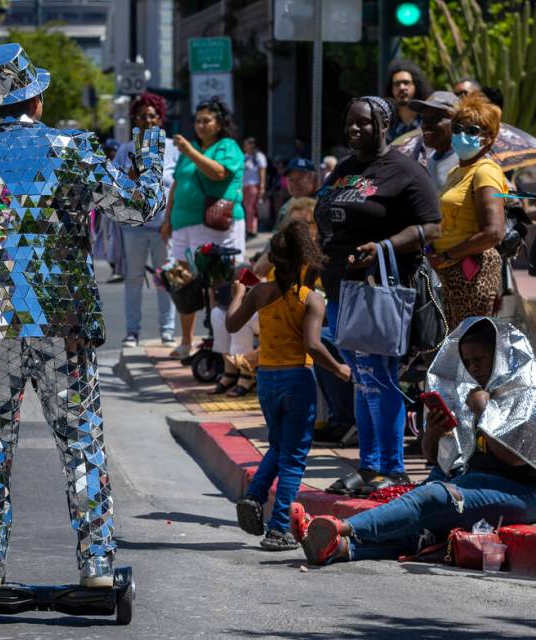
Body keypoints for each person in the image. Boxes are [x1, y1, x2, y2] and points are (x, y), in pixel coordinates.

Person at [0, 43, 165, 588]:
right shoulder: (73, 150)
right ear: (38, 100)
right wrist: (150, 150)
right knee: (81, 443)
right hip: (64, 325)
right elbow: (139, 208)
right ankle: (96, 567)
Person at [301, 317, 536, 565]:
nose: (473, 368)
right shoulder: (473, 391)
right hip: (473, 480)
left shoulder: (525, 393)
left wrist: (484, 411)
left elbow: (514, 457)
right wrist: (434, 431)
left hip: (518, 492)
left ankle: (340, 527)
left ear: (500, 355)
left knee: (433, 497)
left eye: (480, 359)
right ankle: (341, 548)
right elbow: (434, 458)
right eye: (467, 361)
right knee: (426, 519)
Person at [315, 96, 441, 496]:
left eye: (364, 124)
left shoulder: (405, 171)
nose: (354, 129)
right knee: (363, 382)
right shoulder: (345, 169)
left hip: (376, 291)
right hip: (339, 291)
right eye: (349, 122)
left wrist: (383, 246)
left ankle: (391, 467)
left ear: (384, 126)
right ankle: (369, 466)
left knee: (378, 380)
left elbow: (432, 228)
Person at [228, 220, 352, 551]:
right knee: (295, 456)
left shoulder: (260, 293)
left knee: (280, 445)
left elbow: (231, 323)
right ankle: (279, 528)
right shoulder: (311, 299)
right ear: (304, 259)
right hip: (298, 379)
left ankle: (255, 497)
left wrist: (239, 292)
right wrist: (339, 367)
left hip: (267, 379)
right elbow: (313, 345)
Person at [160, 97, 245, 359]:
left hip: (213, 224)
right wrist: (167, 219)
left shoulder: (227, 146)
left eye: (206, 120)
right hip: (183, 225)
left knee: (217, 283)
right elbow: (176, 185)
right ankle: (186, 342)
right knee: (182, 283)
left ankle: (220, 344)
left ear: (219, 123)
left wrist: (190, 152)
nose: (200, 125)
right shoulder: (192, 148)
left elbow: (218, 173)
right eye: (197, 121)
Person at [428, 93, 507, 329]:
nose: (462, 135)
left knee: (471, 344)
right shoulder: (457, 172)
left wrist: (445, 256)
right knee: (456, 343)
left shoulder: (485, 171)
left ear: (488, 138)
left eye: (472, 131)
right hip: (450, 272)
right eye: (457, 128)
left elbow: (493, 233)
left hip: (472, 272)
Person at [114, 92, 178, 347]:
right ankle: (132, 332)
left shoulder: (174, 148)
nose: (148, 121)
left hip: (164, 225)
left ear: (160, 118)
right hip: (135, 227)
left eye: (152, 116)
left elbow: (178, 185)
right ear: (135, 120)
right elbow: (116, 185)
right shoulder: (126, 149)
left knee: (166, 279)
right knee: (133, 280)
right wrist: (132, 169)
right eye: (142, 116)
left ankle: (168, 331)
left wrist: (171, 222)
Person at [409, 91, 459, 190]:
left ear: (455, 122)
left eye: (434, 119)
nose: (425, 125)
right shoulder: (427, 162)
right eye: (424, 119)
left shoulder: (466, 162)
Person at [385, 60, 433, 143]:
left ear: (416, 86)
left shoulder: (429, 119)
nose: (402, 87)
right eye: (397, 84)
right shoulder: (387, 124)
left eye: (406, 83)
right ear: (391, 89)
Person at [242, 137, 267, 238]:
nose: (244, 146)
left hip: (254, 185)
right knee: (247, 208)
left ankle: (252, 229)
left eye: (246, 144)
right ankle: (249, 228)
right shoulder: (244, 157)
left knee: (251, 208)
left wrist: (262, 187)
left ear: (252, 145)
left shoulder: (259, 157)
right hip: (243, 185)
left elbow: (262, 172)